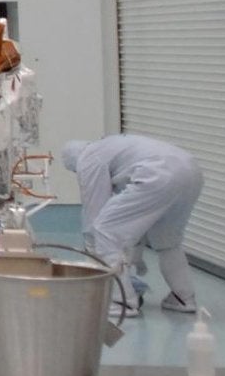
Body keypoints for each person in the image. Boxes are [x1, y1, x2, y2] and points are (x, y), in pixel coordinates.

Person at [64, 134, 204, 313]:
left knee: (105, 231)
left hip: (158, 174)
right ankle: (183, 298)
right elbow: (137, 218)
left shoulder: (89, 158)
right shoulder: (114, 147)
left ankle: (121, 302)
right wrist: (135, 257)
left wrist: (93, 254)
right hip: (191, 172)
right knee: (168, 242)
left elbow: (95, 211)